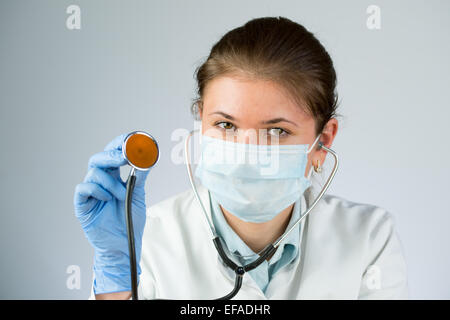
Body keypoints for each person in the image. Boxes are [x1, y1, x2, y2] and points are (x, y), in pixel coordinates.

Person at [74, 16, 408, 300]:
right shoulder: (150, 241)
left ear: (323, 141)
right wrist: (117, 271)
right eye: (225, 124)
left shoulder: (368, 239)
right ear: (200, 119)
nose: (248, 155)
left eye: (276, 131)